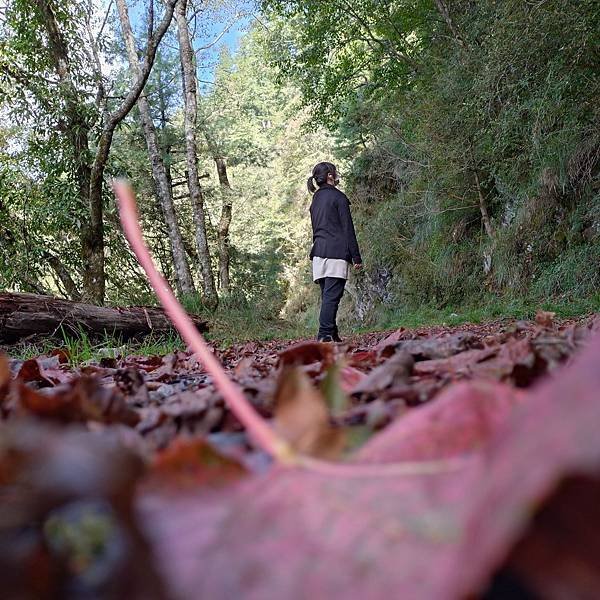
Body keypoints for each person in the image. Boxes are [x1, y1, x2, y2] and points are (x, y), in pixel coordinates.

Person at [307, 161, 362, 343]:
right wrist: (356, 257)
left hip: (318, 253)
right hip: (336, 253)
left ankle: (333, 335)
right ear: (330, 175)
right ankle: (324, 335)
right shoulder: (339, 198)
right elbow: (348, 229)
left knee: (328, 297)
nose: (337, 174)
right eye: (335, 172)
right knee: (332, 298)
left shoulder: (315, 200)